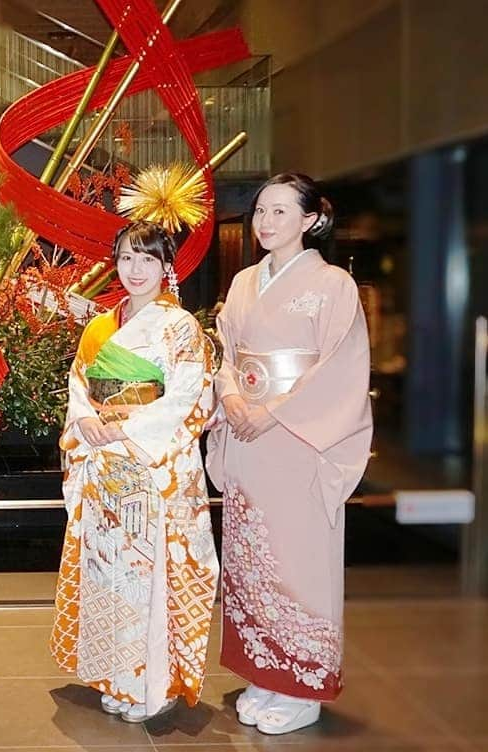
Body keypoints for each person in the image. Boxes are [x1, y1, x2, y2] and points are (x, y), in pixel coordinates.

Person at [206, 173, 373, 735]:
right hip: (248, 440)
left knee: (298, 557)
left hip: (299, 440)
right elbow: (226, 352)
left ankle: (302, 685)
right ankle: (264, 671)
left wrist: (270, 412)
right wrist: (230, 396)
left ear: (310, 220)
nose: (266, 222)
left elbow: (340, 369)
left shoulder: (332, 286)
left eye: (280, 212)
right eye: (259, 212)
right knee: (253, 556)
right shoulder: (247, 281)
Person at [50, 220, 219, 723]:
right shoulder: (101, 325)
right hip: (104, 468)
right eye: (126, 258)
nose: (135, 270)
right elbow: (80, 385)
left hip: (151, 468)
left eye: (147, 259)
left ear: (168, 267)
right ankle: (115, 675)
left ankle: (154, 682)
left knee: (150, 575)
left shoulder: (180, 327)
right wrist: (83, 419)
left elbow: (191, 396)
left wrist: (125, 429)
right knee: (110, 575)